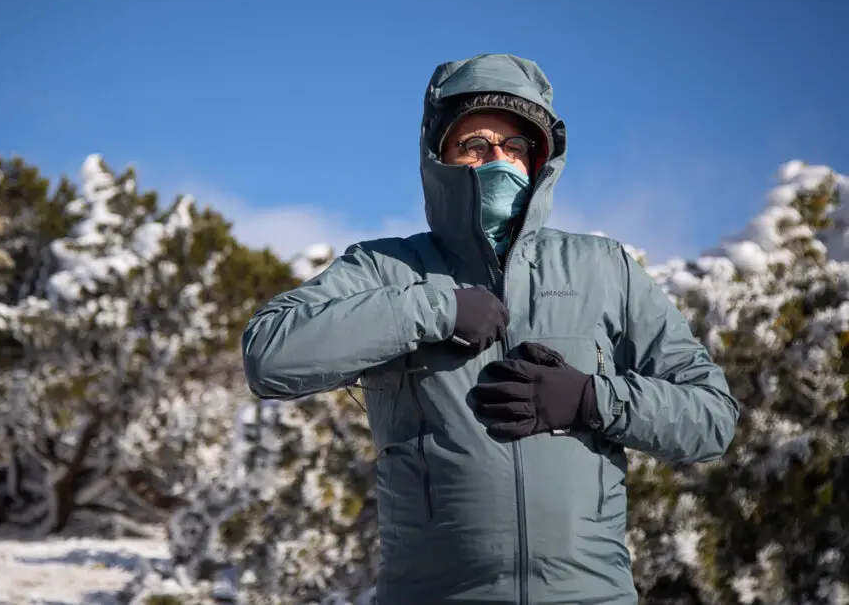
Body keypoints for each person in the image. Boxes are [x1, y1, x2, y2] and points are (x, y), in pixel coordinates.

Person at [241, 53, 739, 605]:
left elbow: (711, 420)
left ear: (539, 163)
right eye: (475, 145)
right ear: (440, 158)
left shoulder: (604, 269)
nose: (497, 160)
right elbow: (269, 356)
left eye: (516, 148)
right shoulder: (385, 269)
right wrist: (432, 309)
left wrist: (592, 400)